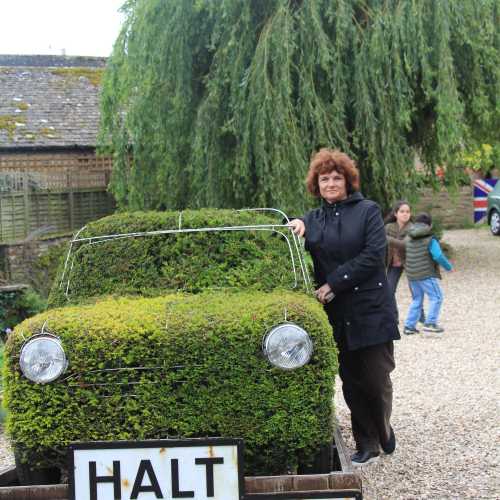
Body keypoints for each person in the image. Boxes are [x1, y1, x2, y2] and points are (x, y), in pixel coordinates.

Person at [288, 148, 400, 467]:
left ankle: (382, 428)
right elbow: (300, 240)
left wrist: (333, 283)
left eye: (337, 177)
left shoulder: (367, 211)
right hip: (338, 314)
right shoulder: (313, 219)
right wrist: (296, 224)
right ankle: (367, 444)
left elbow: (373, 255)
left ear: (348, 181)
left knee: (376, 378)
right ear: (317, 184)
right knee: (352, 381)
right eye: (325, 179)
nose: (331, 183)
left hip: (371, 308)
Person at [403, 213, 453, 336]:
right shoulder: (430, 238)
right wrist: (448, 267)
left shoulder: (408, 236)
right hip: (425, 273)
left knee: (417, 299)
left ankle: (409, 326)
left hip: (412, 274)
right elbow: (438, 255)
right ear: (429, 225)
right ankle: (430, 323)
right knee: (437, 297)